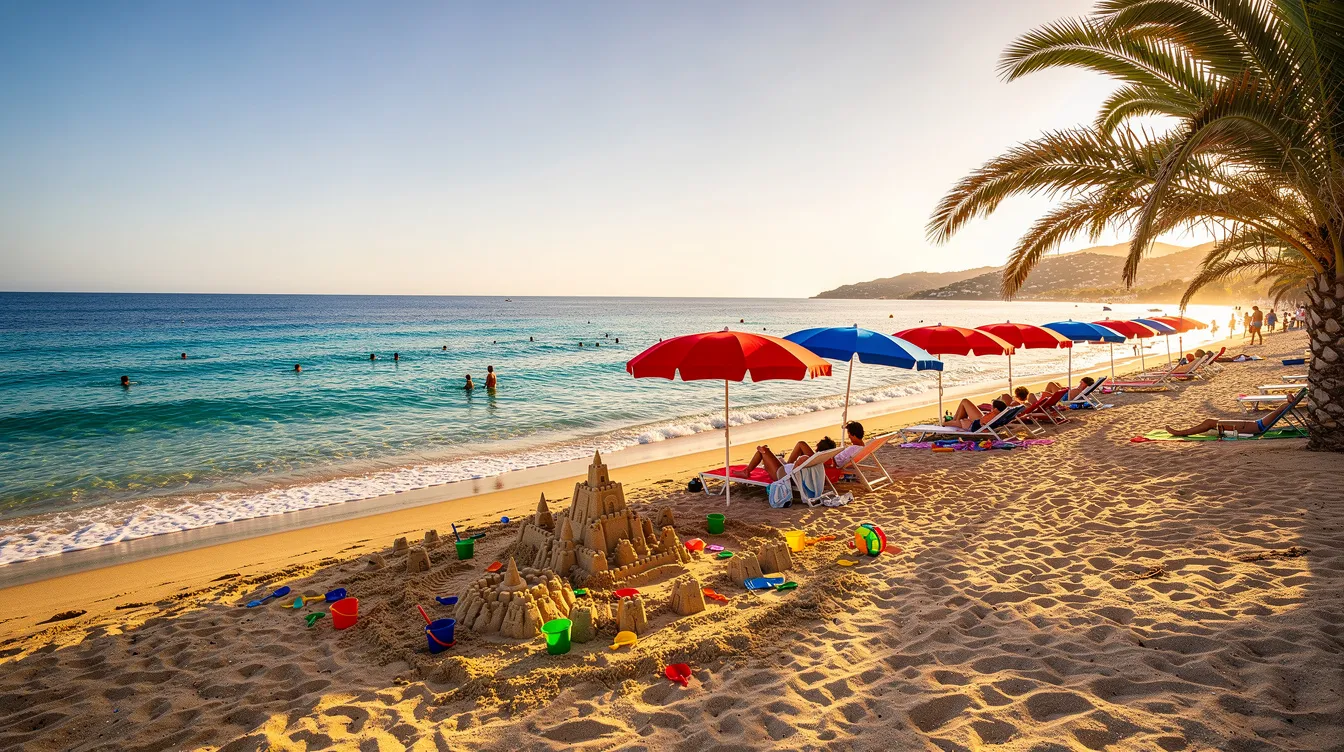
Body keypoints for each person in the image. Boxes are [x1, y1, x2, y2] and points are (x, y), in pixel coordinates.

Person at [1165, 396, 1300, 437]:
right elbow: (1281, 408)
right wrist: (1289, 401)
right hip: (1252, 425)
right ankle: (1182, 432)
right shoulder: (1279, 412)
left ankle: (1182, 433)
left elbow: (1280, 409)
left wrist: (1288, 402)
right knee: (1210, 422)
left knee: (1210, 423)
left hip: (1252, 427)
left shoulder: (1279, 411)